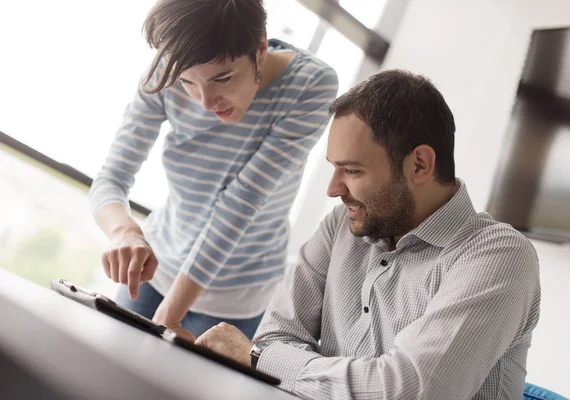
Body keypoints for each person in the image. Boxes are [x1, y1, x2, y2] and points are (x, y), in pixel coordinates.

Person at [194, 69, 541, 399]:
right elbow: (274, 337)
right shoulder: (340, 227)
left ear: (419, 164)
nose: (333, 189)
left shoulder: (499, 256)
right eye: (334, 168)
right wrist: (359, 381)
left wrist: (262, 359)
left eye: (352, 170)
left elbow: (409, 392)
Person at [89, 0, 338, 341]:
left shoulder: (310, 84)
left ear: (260, 47)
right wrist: (125, 233)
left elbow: (240, 204)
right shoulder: (167, 68)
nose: (206, 102)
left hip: (238, 297)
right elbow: (111, 178)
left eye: (222, 78)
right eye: (188, 83)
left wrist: (170, 316)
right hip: (158, 270)